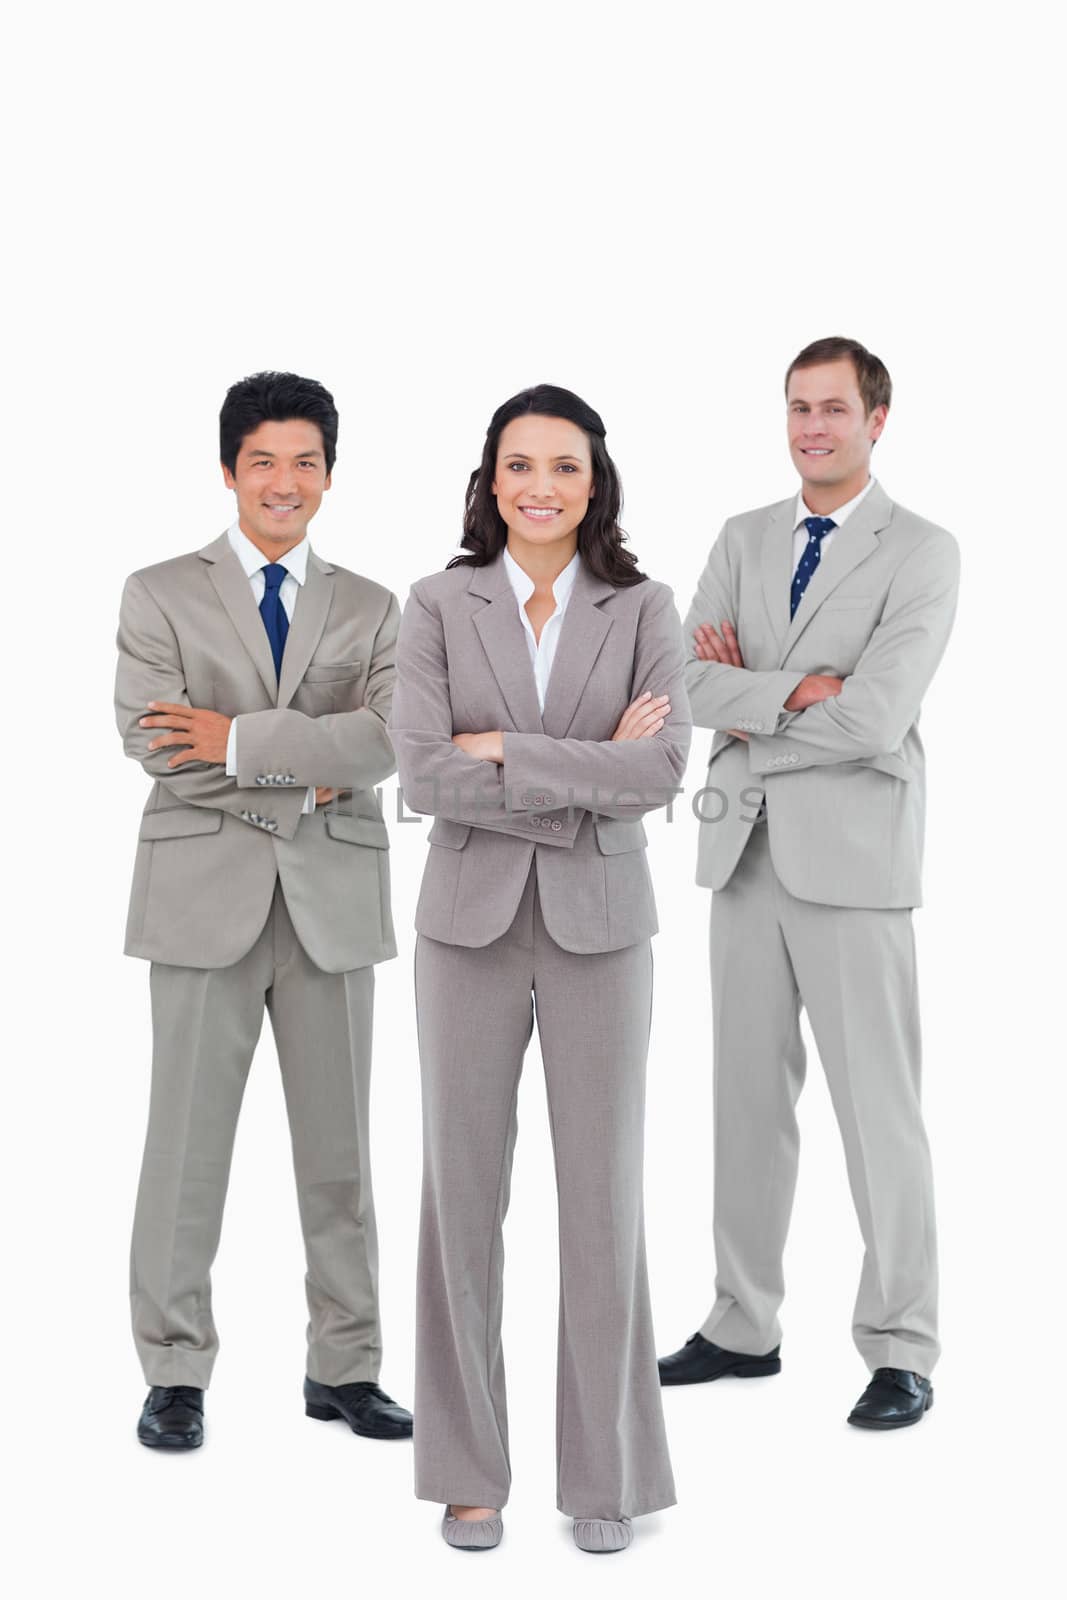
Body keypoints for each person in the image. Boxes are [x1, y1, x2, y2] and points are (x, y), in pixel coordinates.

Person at [388, 384, 689, 1552]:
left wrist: (505, 748)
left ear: (594, 480)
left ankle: (603, 1472)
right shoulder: (435, 603)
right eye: (518, 465)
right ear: (489, 478)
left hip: (603, 928)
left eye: (562, 466)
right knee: (460, 1196)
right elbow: (419, 774)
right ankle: (469, 1471)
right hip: (463, 923)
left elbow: (660, 769)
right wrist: (579, 768)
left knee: (601, 1199)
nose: (539, 487)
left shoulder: (644, 604)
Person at [658, 337, 959, 1428]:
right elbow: (684, 680)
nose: (810, 427)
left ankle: (900, 1343)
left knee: (877, 1111)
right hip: (741, 852)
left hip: (853, 864)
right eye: (795, 407)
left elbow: (878, 715)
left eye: (831, 407)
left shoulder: (920, 551)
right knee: (742, 1103)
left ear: (876, 418)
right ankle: (742, 1322)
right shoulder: (742, 537)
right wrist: (792, 690)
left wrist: (753, 704)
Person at [115, 371, 412, 1449]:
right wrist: (313, 773)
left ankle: (345, 1365)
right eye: (263, 462)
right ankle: (175, 1371)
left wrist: (237, 738)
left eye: (305, 462)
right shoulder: (158, 592)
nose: (284, 483)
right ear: (229, 469)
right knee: (185, 1147)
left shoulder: (376, 607)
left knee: (340, 1153)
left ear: (329, 474)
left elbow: (387, 741)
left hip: (332, 903)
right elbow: (156, 744)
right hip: (202, 900)